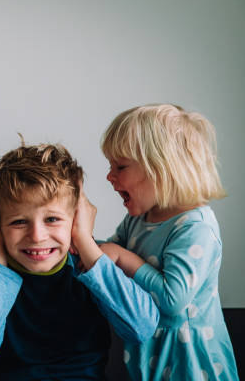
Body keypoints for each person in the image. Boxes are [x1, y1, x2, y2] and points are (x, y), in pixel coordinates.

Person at [0, 142, 159, 380]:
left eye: (52, 219)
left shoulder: (92, 260)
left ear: (76, 217)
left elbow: (142, 328)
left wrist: (84, 241)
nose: (37, 236)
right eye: (18, 222)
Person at [99, 104, 238, 380]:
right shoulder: (139, 219)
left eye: (121, 166)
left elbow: (173, 299)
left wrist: (124, 258)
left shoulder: (195, 226)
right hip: (150, 356)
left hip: (191, 364)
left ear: (162, 169)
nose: (109, 176)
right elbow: (107, 256)